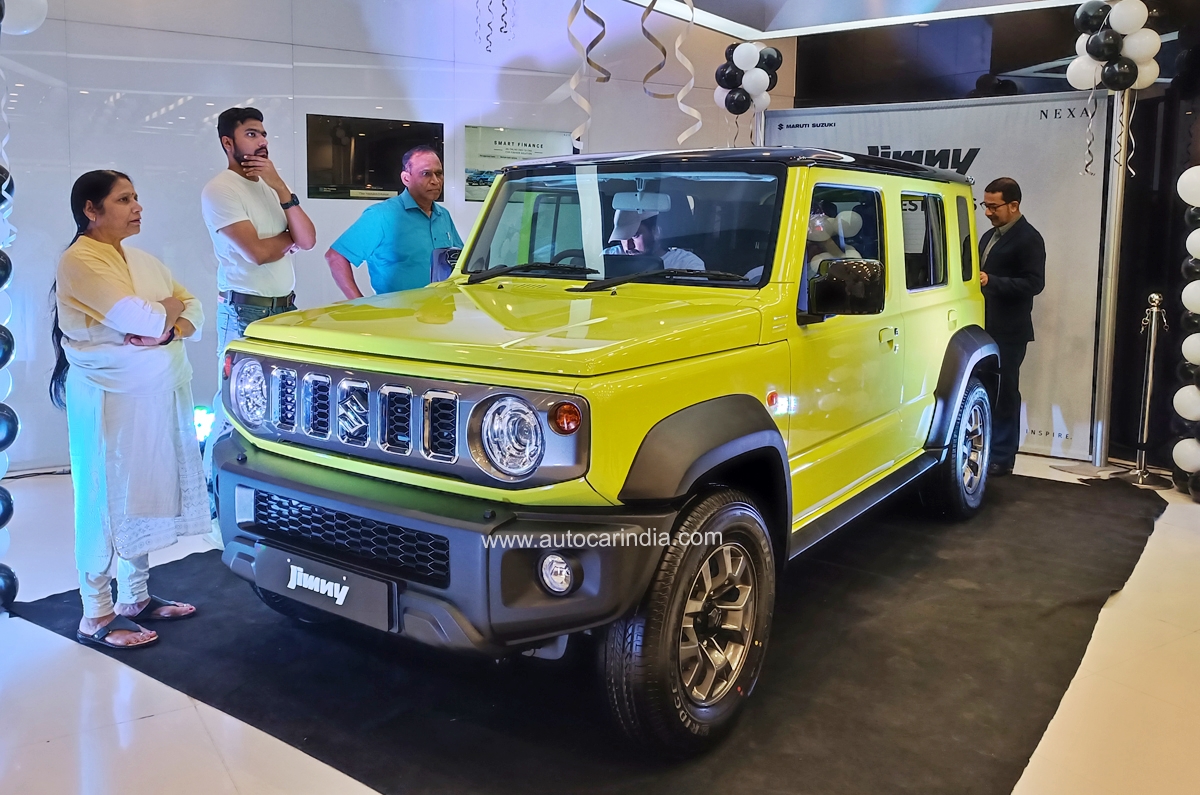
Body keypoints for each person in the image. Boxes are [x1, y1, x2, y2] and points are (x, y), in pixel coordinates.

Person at [49, 170, 207, 649]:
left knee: (143, 490)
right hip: (105, 394)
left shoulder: (141, 259)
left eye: (136, 197)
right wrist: (166, 312)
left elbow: (194, 308)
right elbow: (144, 316)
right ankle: (95, 612)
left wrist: (170, 326)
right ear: (90, 210)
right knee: (101, 497)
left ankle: (134, 597)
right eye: (123, 199)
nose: (137, 206)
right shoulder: (79, 261)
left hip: (154, 392)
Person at [201, 107, 316, 532]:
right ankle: (213, 508)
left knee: (280, 407)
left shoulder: (270, 186)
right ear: (227, 143)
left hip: (283, 309)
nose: (261, 141)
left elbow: (308, 238)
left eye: (264, 133)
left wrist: (281, 187)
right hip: (244, 311)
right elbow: (258, 252)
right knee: (231, 410)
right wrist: (287, 240)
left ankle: (269, 501)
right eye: (251, 134)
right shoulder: (220, 189)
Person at [325, 145, 462, 299]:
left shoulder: (443, 215)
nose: (435, 181)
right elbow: (335, 256)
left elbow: (461, 259)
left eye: (439, 173)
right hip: (400, 312)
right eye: (426, 174)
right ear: (406, 178)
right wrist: (357, 304)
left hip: (442, 309)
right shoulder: (382, 215)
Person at [978, 177, 1045, 477]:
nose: (988, 212)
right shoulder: (988, 236)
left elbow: (1034, 283)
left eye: (994, 206)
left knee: (1005, 393)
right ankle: (986, 449)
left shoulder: (1029, 238)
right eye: (985, 205)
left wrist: (991, 281)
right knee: (987, 390)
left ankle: (1003, 457)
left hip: (1009, 331)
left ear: (1014, 205)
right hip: (983, 327)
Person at [603, 209, 704, 271]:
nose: (628, 246)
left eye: (634, 236)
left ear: (656, 232)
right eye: (623, 237)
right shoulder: (608, 257)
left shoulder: (686, 264)